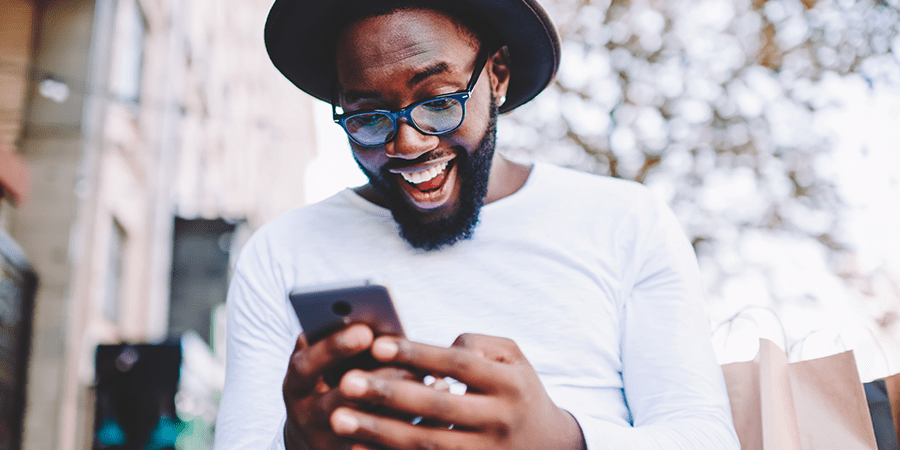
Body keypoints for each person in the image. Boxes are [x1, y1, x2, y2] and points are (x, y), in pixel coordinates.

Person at [214, 0, 740, 449]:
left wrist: (564, 438)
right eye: (368, 116)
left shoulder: (627, 223)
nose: (408, 144)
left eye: (440, 102)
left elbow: (705, 437)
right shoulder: (280, 252)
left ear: (497, 76)